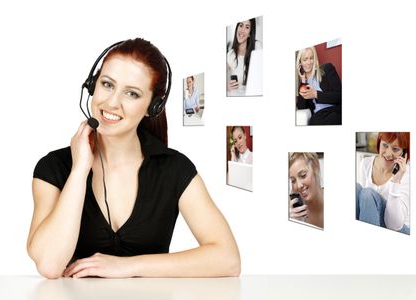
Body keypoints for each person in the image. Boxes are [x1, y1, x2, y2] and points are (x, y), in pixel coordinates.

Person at [27, 38, 241, 279]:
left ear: (154, 106)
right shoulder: (54, 167)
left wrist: (126, 267)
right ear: (92, 86)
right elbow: (49, 264)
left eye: (131, 93)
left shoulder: (174, 169)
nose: (112, 102)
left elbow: (228, 259)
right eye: (107, 84)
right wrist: (79, 170)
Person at [356, 132, 410, 234]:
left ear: (404, 153)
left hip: (399, 229)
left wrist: (396, 180)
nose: (389, 153)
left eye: (395, 149)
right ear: (379, 143)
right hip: (372, 221)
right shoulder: (365, 164)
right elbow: (362, 207)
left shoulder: (408, 174)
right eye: (385, 145)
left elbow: (394, 225)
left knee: (367, 193)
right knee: (355, 189)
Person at [295, 46, 342, 125]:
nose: (309, 62)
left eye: (311, 58)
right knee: (316, 121)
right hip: (318, 116)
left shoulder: (327, 68)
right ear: (300, 62)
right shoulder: (303, 82)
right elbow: (301, 107)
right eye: (305, 59)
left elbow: (340, 96)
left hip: (334, 111)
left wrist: (316, 94)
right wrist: (303, 81)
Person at [288, 152, 324, 229]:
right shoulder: (293, 213)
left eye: (303, 175)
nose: (298, 185)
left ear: (315, 165)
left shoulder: (355, 194)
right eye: (293, 181)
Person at [227, 18, 262, 93]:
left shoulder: (257, 47)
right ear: (237, 28)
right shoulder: (231, 54)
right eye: (241, 25)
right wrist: (227, 87)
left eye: (247, 27)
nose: (242, 30)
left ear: (250, 33)